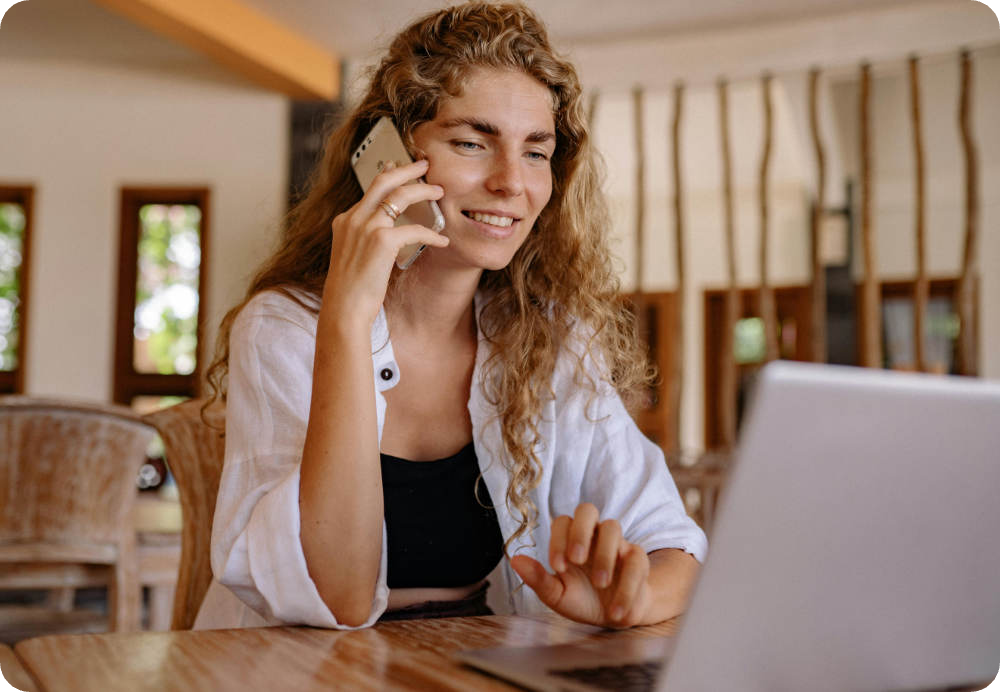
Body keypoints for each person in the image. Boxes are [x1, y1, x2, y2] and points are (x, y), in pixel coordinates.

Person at [197, 1, 707, 631]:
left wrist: (633, 599)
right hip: (297, 666)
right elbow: (341, 599)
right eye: (471, 143)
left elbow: (674, 545)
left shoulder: (549, 337)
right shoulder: (284, 327)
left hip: (473, 656)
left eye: (536, 153)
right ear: (385, 159)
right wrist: (348, 319)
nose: (510, 183)